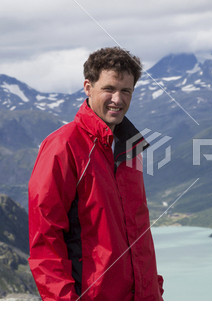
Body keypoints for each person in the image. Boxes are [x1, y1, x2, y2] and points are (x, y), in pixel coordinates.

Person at [28, 47, 164, 301]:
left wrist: (154, 291)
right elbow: (45, 240)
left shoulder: (130, 146)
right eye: (109, 89)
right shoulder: (63, 146)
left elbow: (138, 231)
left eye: (126, 91)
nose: (118, 99)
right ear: (88, 87)